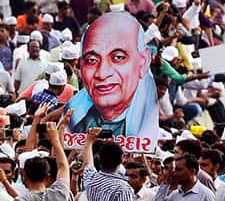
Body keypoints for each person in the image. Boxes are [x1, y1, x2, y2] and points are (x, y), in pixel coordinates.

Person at [66, 12, 159, 147]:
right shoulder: (74, 124)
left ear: (143, 62)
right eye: (92, 60)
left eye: (118, 57)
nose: (102, 74)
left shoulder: (144, 126)